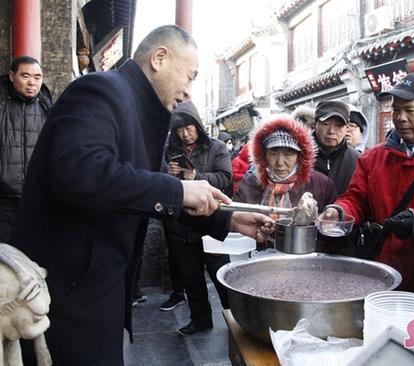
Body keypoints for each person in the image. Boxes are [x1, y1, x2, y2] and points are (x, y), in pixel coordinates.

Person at [10, 25, 273, 366]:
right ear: (159, 58)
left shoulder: (142, 111)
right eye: (189, 77)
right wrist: (179, 188)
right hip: (68, 289)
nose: (188, 92)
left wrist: (230, 219)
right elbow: (80, 172)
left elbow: (154, 188)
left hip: (99, 285)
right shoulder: (99, 89)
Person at [320, 73, 414, 298]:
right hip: (380, 269)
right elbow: (357, 198)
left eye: (410, 110)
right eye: (396, 110)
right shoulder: (374, 157)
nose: (401, 118)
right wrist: (339, 211)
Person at [161, 101, 232, 337]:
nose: (185, 134)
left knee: (221, 275)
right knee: (191, 278)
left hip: (212, 224)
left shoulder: (217, 147)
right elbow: (156, 183)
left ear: (198, 126)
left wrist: (196, 176)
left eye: (189, 128)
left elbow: (225, 179)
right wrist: (167, 174)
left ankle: (236, 318)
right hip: (181, 225)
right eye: (180, 129)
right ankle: (200, 319)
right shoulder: (169, 151)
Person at [234, 115, 337, 250]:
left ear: (300, 156)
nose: (280, 163)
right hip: (259, 262)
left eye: (288, 153)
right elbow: (235, 228)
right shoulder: (249, 185)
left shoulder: (321, 184)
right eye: (273, 153)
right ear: (263, 155)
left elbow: (332, 233)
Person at [0, 56, 52, 243]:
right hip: (4, 201)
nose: (32, 83)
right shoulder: (2, 106)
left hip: (36, 199)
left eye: (37, 77)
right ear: (12, 76)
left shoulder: (48, 110)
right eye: (25, 76)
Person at [313, 100, 360, 195]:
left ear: (346, 129)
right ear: (315, 125)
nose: (331, 131)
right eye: (325, 124)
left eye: (338, 126)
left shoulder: (357, 160)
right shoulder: (299, 155)